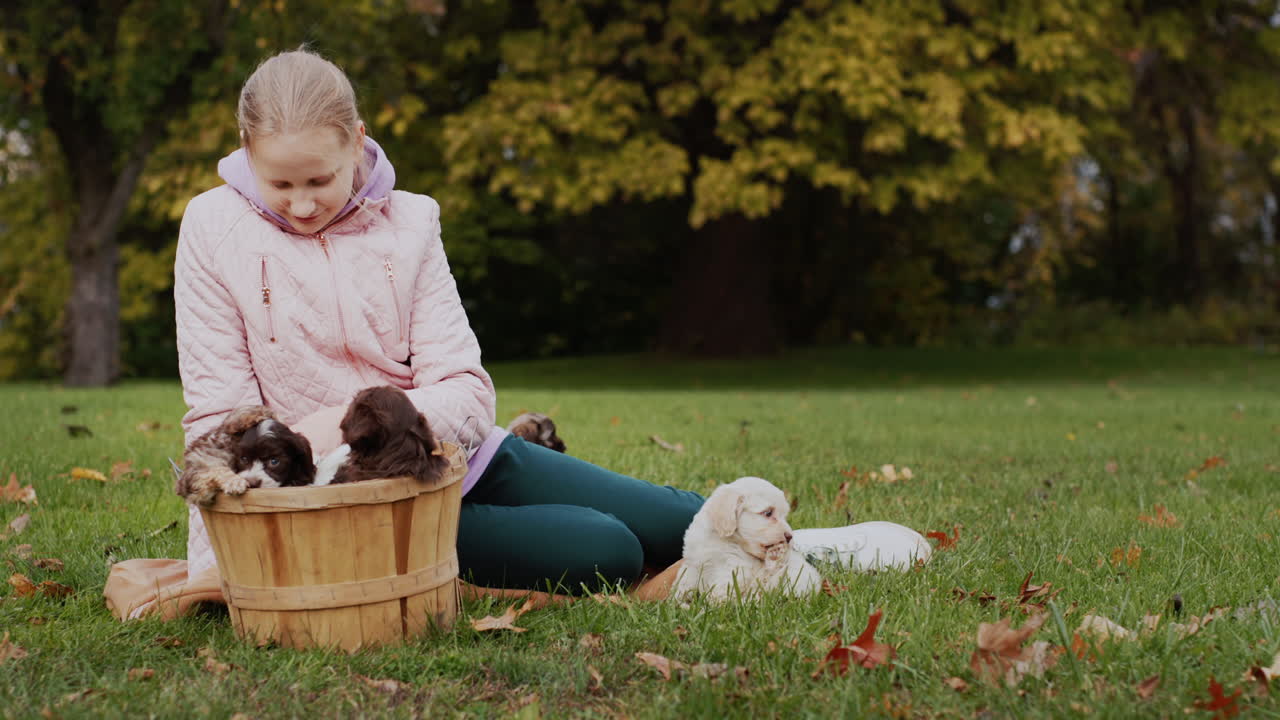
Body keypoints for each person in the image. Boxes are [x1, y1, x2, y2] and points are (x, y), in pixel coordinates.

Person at [171, 48, 704, 599]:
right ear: (246, 148)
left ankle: (778, 547)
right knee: (611, 549)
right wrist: (223, 570)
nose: (302, 205)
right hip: (355, 505)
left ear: (357, 141)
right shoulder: (212, 227)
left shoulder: (412, 221)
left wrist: (347, 420)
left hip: (459, 455)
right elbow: (220, 425)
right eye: (280, 185)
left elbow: (466, 393)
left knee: (682, 519)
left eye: (319, 180)